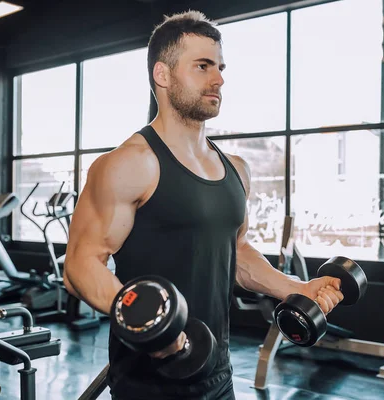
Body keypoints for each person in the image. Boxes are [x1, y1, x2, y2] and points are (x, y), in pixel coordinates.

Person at [64, 10, 344, 400]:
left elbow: (237, 253)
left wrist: (297, 289)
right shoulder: (130, 164)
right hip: (148, 384)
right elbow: (80, 264)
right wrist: (148, 324)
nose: (219, 79)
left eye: (220, 67)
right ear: (162, 75)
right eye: (202, 66)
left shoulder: (236, 169)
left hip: (217, 373)